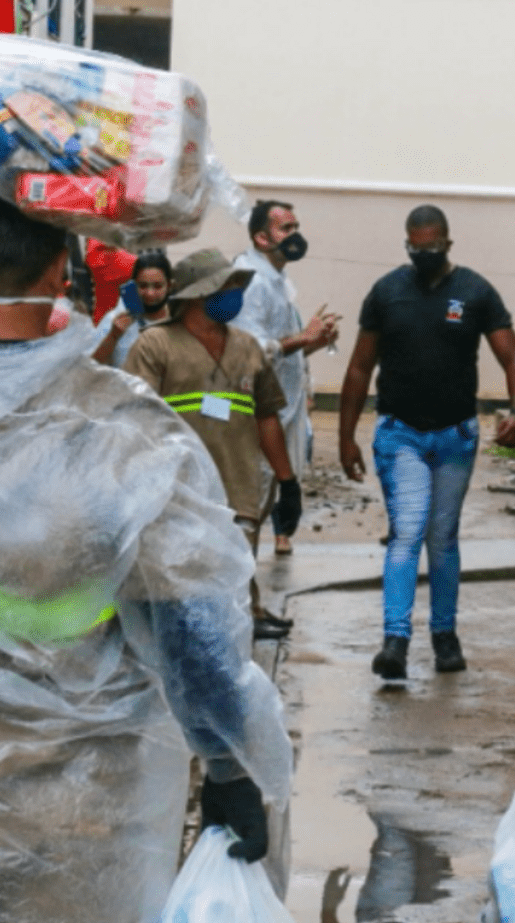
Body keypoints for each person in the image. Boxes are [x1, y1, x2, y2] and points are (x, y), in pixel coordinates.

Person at [0, 199, 292, 923]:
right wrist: (228, 768)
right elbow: (197, 634)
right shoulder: (126, 434)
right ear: (64, 272)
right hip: (81, 814)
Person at [339, 204, 515, 680]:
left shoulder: (475, 291)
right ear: (406, 243)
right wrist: (346, 437)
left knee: (442, 539)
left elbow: (513, 359)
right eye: (414, 247)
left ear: (448, 242)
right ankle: (395, 640)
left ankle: (445, 636)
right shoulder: (386, 293)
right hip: (400, 432)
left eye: (432, 247)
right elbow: (360, 367)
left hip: (454, 436)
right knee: (407, 531)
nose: (423, 254)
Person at [123, 248, 303, 641]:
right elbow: (135, 421)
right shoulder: (155, 346)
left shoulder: (247, 348)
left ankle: (244, 628)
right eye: (225, 287)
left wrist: (287, 482)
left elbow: (267, 416)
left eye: (236, 286)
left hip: (239, 488)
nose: (234, 295)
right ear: (196, 295)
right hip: (179, 495)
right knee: (186, 595)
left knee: (235, 584)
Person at [232, 199, 339, 556]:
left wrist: (314, 342)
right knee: (248, 509)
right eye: (286, 229)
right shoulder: (251, 281)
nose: (296, 236)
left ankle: (250, 595)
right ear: (262, 238)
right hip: (258, 416)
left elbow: (284, 354)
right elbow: (253, 352)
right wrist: (302, 337)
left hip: (286, 410)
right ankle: (241, 601)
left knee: (263, 507)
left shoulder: (277, 281)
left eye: (296, 227)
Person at [92, 249, 172, 367]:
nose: (150, 293)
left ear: (169, 286)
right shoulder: (115, 321)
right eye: (143, 286)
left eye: (157, 286)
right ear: (133, 285)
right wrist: (113, 336)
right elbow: (91, 366)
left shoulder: (180, 318)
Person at [85, 237, 138, 323]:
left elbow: (92, 239)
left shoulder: (93, 256)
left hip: (100, 319)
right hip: (125, 322)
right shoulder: (131, 263)